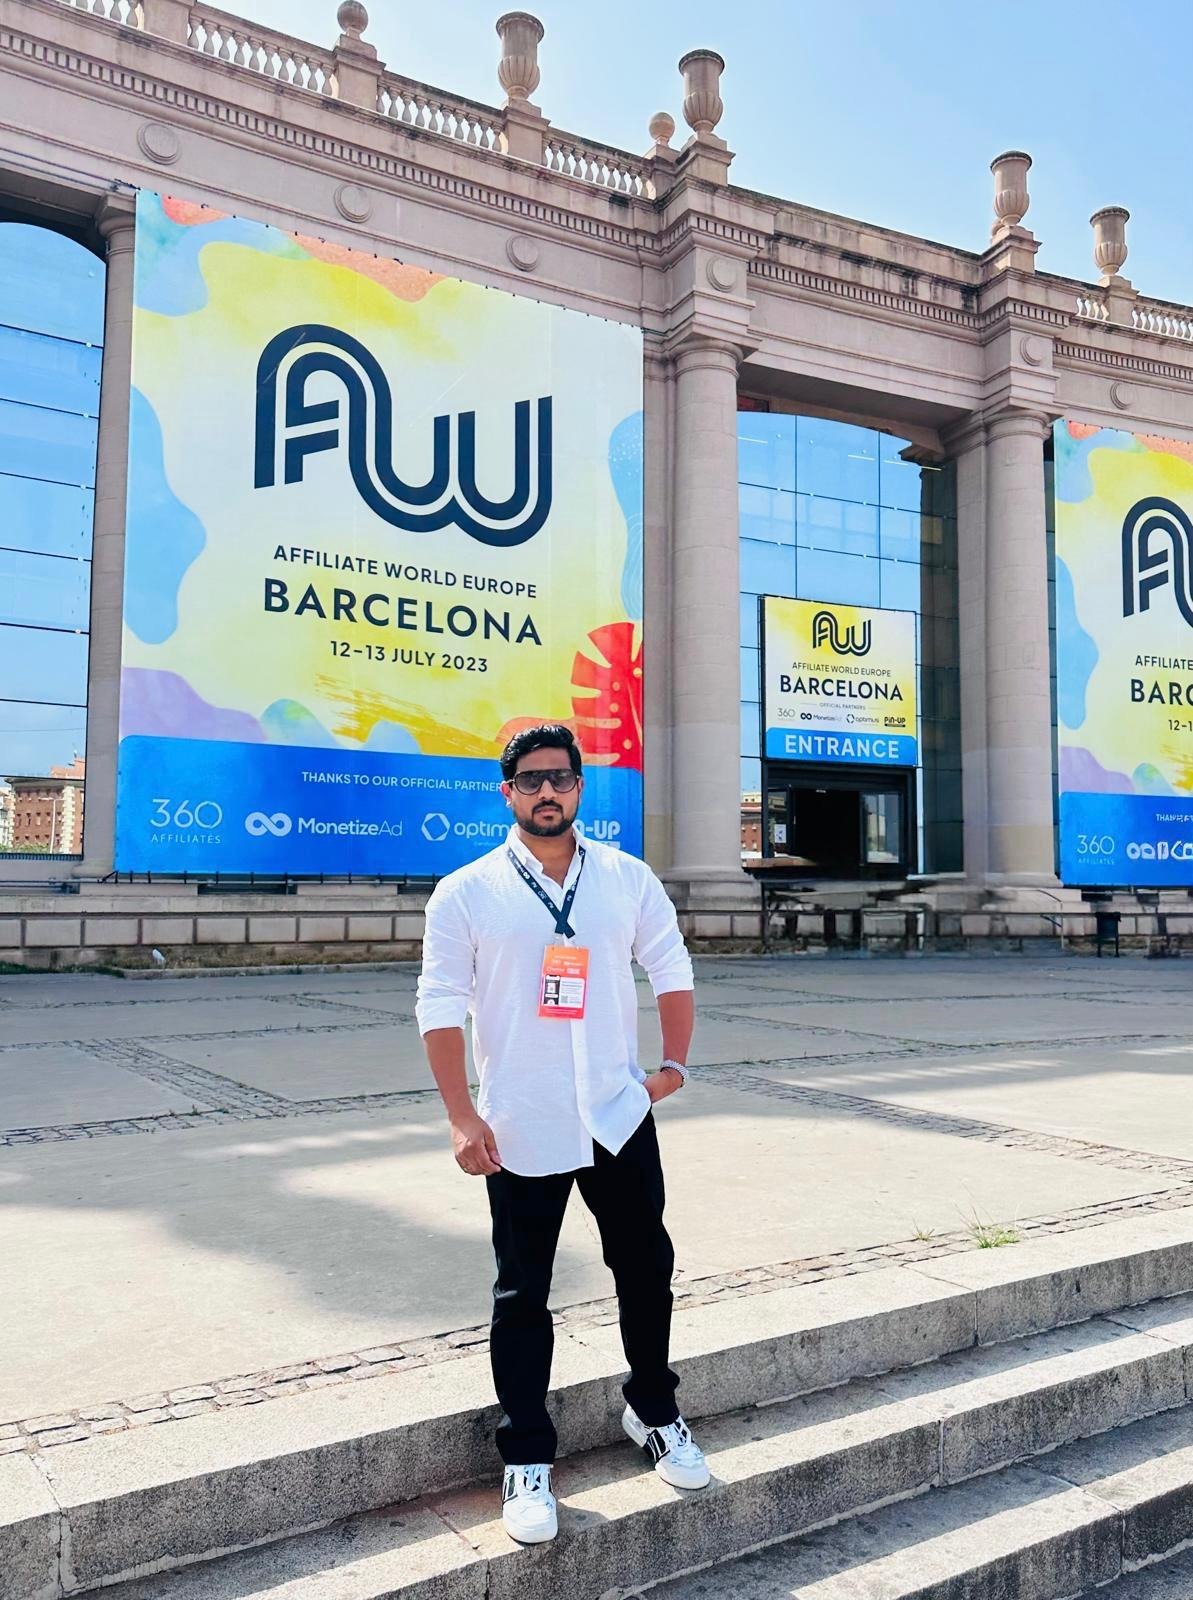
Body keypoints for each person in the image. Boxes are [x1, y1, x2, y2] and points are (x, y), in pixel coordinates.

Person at [416, 723, 708, 1545]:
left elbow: (672, 967)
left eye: (562, 778)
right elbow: (438, 1005)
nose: (548, 792)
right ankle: (526, 1457)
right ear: (506, 793)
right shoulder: (467, 891)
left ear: (581, 788)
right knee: (522, 1295)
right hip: (521, 1122)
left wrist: (673, 1069)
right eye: (531, 780)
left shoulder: (624, 878)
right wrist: (460, 1115)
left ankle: (653, 1410)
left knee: (645, 1268)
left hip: (616, 1115)